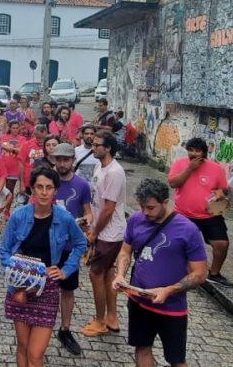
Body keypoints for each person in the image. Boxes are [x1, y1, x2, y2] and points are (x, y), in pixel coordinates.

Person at [113, 179, 208, 367]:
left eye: (150, 207)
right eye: (142, 207)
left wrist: (168, 290)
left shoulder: (188, 230)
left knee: (176, 359)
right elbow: (126, 251)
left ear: (165, 202)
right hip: (139, 301)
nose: (145, 213)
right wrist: (120, 274)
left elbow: (200, 273)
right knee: (142, 347)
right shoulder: (135, 220)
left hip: (172, 308)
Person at [0, 166, 87, 367]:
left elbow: (81, 243)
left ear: (55, 190)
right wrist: (14, 271)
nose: (44, 192)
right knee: (22, 346)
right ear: (32, 188)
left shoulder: (63, 218)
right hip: (19, 287)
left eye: (49, 187)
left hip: (46, 290)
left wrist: (66, 270)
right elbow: (4, 251)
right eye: (39, 187)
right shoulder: (19, 216)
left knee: (36, 353)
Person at [167, 138, 233, 287]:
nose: (194, 153)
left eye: (197, 151)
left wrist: (220, 193)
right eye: (191, 150)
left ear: (204, 153)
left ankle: (215, 274)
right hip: (184, 213)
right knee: (179, 244)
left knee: (222, 244)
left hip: (210, 214)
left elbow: (224, 188)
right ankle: (179, 271)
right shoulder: (180, 164)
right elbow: (173, 183)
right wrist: (189, 169)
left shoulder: (216, 168)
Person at [82, 129, 127, 337]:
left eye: (97, 144)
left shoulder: (114, 173)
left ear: (108, 147)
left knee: (95, 273)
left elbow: (108, 208)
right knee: (107, 273)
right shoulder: (102, 167)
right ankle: (112, 317)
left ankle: (100, 321)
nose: (93, 147)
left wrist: (95, 233)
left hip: (109, 234)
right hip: (104, 231)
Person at [52, 143, 93, 355]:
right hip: (49, 246)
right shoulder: (46, 182)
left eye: (65, 159)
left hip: (70, 247)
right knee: (44, 287)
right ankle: (40, 323)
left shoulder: (82, 185)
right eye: (58, 159)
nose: (62, 163)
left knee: (67, 290)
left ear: (72, 161)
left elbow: (89, 212)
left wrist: (85, 221)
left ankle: (65, 329)